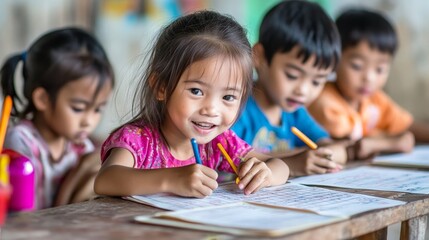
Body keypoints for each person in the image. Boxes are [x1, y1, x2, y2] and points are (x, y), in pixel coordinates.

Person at [94, 11, 289, 198]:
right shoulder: (138, 140)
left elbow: (279, 166)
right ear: (161, 87)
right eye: (196, 91)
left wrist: (267, 174)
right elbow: (105, 180)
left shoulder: (220, 143)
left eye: (228, 97)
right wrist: (171, 180)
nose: (211, 109)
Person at [1, 27, 115, 209]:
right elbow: (24, 216)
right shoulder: (21, 143)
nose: (89, 121)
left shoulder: (78, 145)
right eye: (78, 109)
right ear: (43, 99)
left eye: (97, 109)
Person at [231, 0, 346, 177]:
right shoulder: (235, 107)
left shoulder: (295, 113)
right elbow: (229, 160)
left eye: (317, 81)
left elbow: (339, 151)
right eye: (292, 75)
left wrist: (322, 155)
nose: (304, 90)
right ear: (259, 56)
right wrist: (293, 163)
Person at [308, 8, 429, 160]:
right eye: (357, 66)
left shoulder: (375, 98)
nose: (369, 78)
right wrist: (394, 141)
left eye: (380, 69)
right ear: (334, 60)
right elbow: (354, 145)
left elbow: (407, 126)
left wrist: (396, 139)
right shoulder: (324, 100)